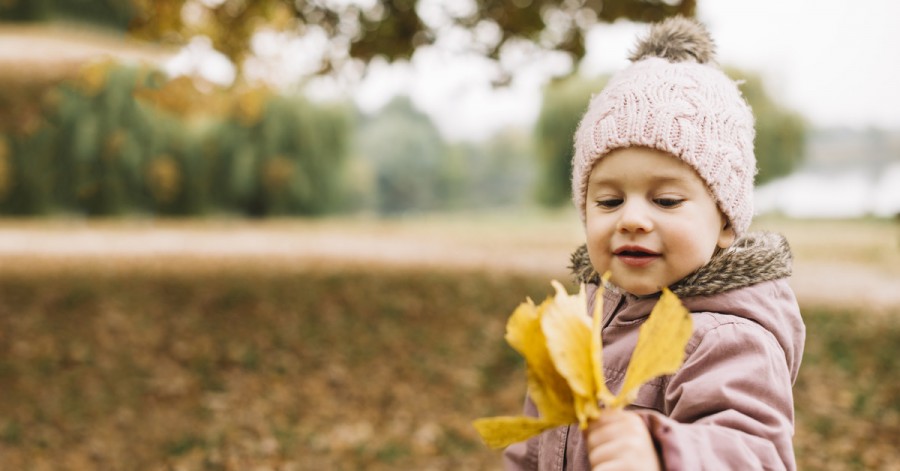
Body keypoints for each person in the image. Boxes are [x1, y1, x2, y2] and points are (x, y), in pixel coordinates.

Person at [503, 16, 806, 470]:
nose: (633, 219)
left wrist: (662, 453)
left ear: (725, 221)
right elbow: (532, 448)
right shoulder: (575, 324)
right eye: (609, 200)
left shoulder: (726, 339)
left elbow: (755, 455)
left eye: (665, 200)